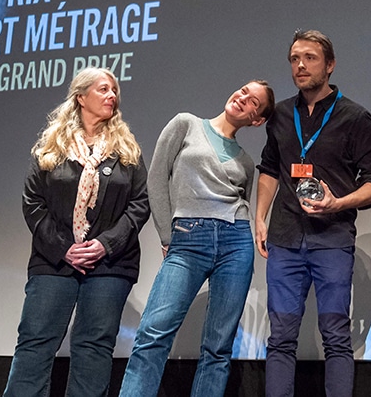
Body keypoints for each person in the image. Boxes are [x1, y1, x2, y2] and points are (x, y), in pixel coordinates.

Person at [118, 80, 275, 397]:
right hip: (188, 238)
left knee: (218, 347)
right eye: (244, 91)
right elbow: (157, 178)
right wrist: (166, 234)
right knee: (153, 333)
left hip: (236, 242)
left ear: (257, 120)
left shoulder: (245, 161)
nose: (244, 98)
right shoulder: (185, 124)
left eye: (254, 102)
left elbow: (242, 200)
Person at [254, 29, 371, 397]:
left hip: (331, 239)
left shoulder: (355, 117)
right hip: (284, 237)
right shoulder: (281, 114)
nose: (300, 65)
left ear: (329, 65)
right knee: (280, 337)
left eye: (309, 58)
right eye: (294, 58)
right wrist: (259, 217)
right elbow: (268, 169)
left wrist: (339, 203)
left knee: (336, 336)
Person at [3, 67, 149, 397]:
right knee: (35, 340)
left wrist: (105, 244)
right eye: (103, 89)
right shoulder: (51, 148)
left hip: (111, 263)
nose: (112, 95)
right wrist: (64, 248)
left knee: (93, 346)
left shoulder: (126, 150)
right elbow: (33, 203)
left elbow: (140, 203)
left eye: (115, 90)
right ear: (81, 97)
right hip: (54, 261)